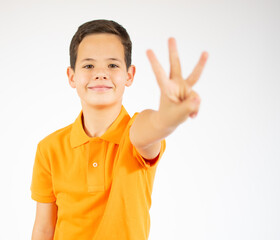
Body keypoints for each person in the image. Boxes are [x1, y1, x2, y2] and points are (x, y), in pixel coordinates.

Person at [30, 19, 208, 240]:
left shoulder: (136, 134)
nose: (101, 73)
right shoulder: (49, 148)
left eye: (113, 65)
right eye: (88, 65)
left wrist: (167, 116)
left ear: (129, 75)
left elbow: (153, 127)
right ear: (71, 76)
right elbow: (44, 228)